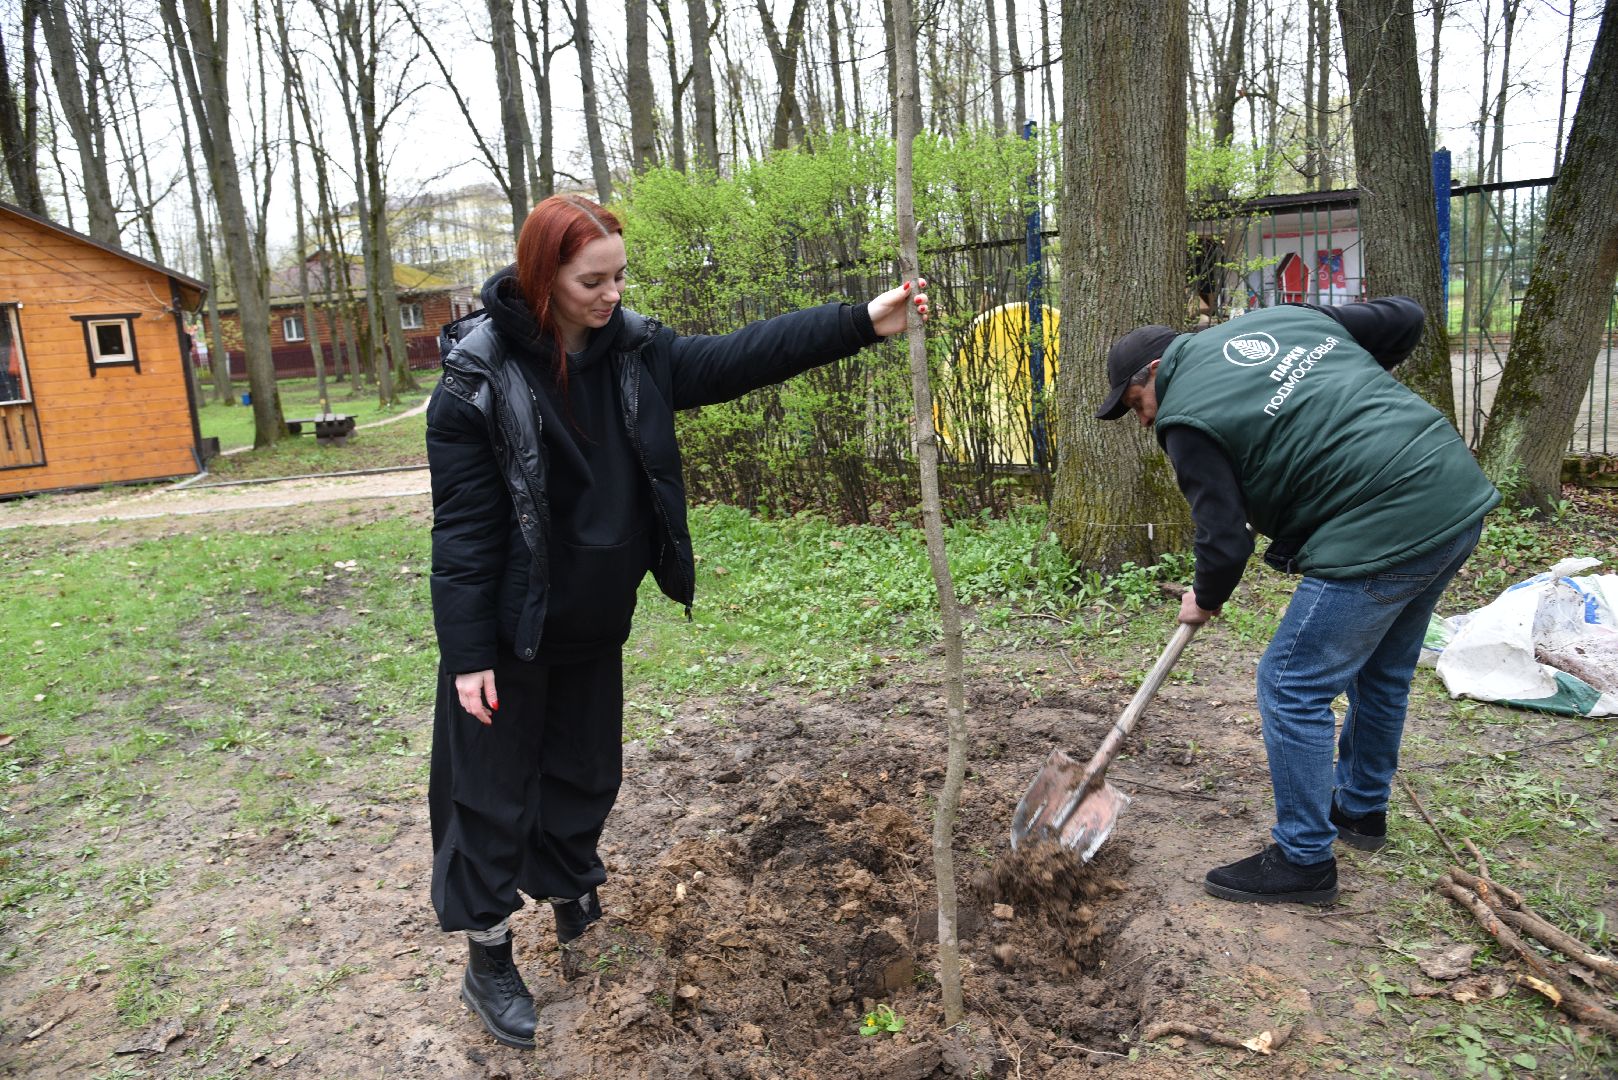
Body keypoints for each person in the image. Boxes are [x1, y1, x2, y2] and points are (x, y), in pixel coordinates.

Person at [426, 193, 929, 1048]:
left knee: (584, 774)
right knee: (489, 795)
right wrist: (469, 652)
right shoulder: (477, 381)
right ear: (544, 278)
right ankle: (488, 955)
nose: (612, 293)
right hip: (510, 634)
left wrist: (859, 321)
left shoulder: (636, 354)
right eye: (594, 280)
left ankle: (573, 901)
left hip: (595, 619)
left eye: (621, 275)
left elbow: (739, 359)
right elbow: (465, 535)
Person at [1093, 297, 1498, 906]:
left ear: (1152, 372)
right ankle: (1360, 811)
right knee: (1382, 670)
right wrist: (1338, 395)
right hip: (1450, 488)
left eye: (1136, 406)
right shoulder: (1283, 320)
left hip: (1381, 521)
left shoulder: (1185, 418)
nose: (1146, 422)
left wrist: (1203, 597)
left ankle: (1305, 859)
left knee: (1291, 682)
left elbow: (1225, 539)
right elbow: (1407, 317)